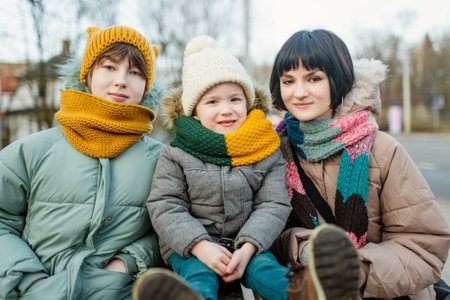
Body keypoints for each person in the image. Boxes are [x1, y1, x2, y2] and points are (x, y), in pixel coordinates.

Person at [269, 29, 450, 299]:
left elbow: (423, 246)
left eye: (314, 78)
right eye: (288, 81)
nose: (299, 92)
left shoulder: (382, 150)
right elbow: (268, 233)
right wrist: (306, 250)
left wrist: (355, 271)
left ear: (338, 80)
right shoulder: (275, 152)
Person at [0, 25, 167, 299]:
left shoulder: (162, 160)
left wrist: (127, 263)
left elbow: (172, 226)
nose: (121, 81)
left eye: (135, 72)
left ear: (147, 86)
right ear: (87, 74)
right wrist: (29, 282)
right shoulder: (31, 151)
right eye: (109, 67)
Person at [136, 35, 297, 300]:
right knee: (199, 276)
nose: (226, 110)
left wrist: (248, 247)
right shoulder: (177, 153)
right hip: (191, 246)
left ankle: (304, 292)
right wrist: (200, 246)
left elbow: (273, 204)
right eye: (212, 102)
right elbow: (165, 204)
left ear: (247, 103)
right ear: (195, 112)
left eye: (235, 99)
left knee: (267, 270)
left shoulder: (265, 149)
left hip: (247, 242)